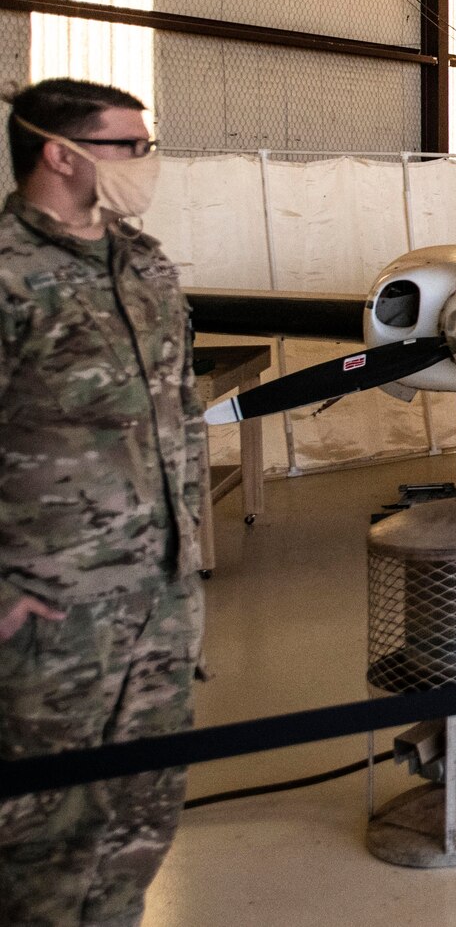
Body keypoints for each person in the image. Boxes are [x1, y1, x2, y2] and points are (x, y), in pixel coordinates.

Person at [1, 78, 207, 926]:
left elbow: (181, 413)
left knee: (140, 815)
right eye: (130, 144)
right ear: (61, 152)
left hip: (160, 598)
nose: (145, 162)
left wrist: (188, 554)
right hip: (53, 609)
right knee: (42, 835)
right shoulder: (11, 276)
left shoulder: (146, 261)